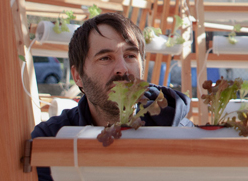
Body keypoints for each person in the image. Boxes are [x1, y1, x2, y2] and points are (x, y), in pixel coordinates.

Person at [32, 13, 192, 181]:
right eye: (106, 58)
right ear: (78, 75)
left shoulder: (179, 131)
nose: (122, 69)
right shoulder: (52, 139)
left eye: (130, 56)